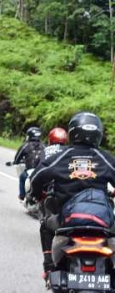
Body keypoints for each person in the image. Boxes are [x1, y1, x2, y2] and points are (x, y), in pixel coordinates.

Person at [29, 112, 115, 284]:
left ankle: (48, 268)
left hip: (68, 220)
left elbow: (37, 177)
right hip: (102, 222)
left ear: (73, 132)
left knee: (46, 225)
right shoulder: (104, 158)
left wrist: (37, 195)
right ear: (98, 133)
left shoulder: (62, 156)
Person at [12, 127, 45, 200]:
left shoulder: (26, 145)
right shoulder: (44, 146)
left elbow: (17, 158)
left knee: (22, 177)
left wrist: (15, 162)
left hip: (30, 171)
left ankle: (22, 195)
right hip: (42, 171)